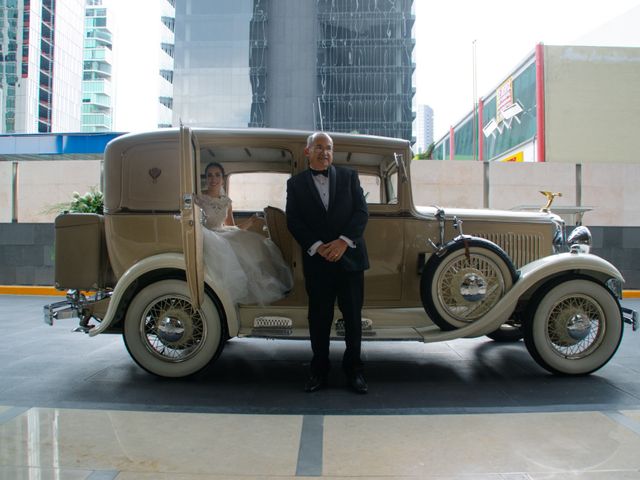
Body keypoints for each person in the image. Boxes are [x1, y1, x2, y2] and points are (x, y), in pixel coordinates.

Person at [286, 132, 370, 394]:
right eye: (319, 147)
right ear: (307, 151)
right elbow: (294, 220)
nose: (325, 152)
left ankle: (354, 371)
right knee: (319, 319)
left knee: (353, 319)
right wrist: (318, 247)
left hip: (350, 261)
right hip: (318, 263)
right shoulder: (296, 184)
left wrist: (343, 242)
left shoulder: (349, 176)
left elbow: (361, 212)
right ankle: (318, 370)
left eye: (329, 148)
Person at [194, 162, 293, 306]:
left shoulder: (226, 201)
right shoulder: (198, 199)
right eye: (209, 175)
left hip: (222, 232)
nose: (213, 179)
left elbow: (230, 226)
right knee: (229, 249)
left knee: (256, 243)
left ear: (222, 179)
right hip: (206, 235)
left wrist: (251, 221)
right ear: (206, 178)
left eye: (217, 175)